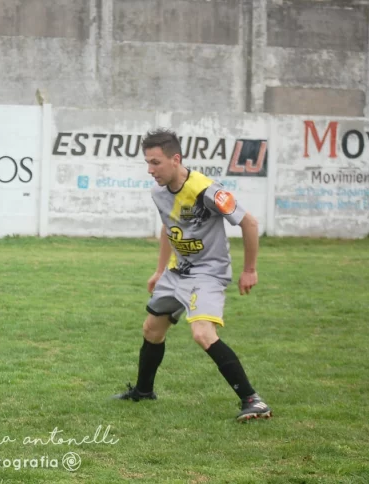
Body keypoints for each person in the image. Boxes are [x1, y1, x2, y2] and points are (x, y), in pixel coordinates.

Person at [113, 129, 272, 422]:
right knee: (152, 329)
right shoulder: (159, 192)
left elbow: (249, 222)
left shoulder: (207, 190)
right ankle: (144, 391)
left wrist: (249, 270)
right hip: (177, 271)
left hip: (208, 273)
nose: (150, 170)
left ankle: (253, 400)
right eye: (147, 162)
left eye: (156, 162)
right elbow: (168, 227)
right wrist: (160, 270)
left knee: (202, 333)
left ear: (176, 159)